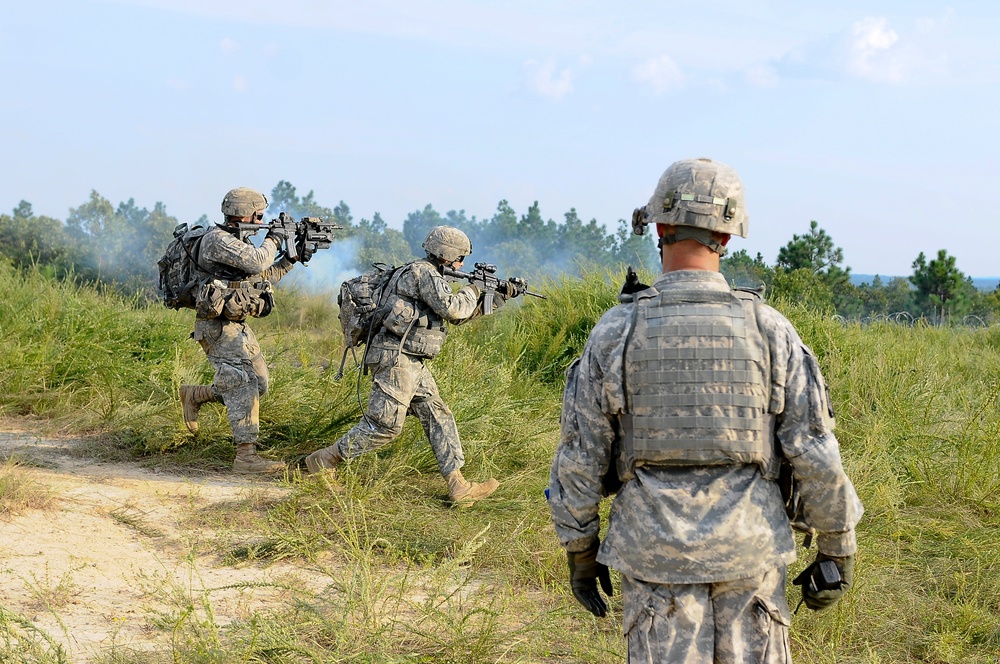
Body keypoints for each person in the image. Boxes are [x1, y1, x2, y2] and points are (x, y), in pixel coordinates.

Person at [547, 158, 864, 662]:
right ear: (729, 236)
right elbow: (814, 450)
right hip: (751, 550)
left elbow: (581, 456)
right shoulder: (770, 329)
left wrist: (580, 550)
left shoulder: (617, 331)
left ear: (660, 226)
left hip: (655, 558)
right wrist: (836, 545)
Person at [305, 225, 515, 506]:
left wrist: (498, 296)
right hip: (395, 358)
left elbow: (457, 316)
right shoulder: (422, 272)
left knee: (437, 414)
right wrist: (476, 287)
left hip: (410, 359)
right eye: (460, 257)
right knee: (385, 426)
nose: (462, 264)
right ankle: (325, 460)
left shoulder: (431, 275)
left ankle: (458, 485)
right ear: (447, 254)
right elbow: (454, 308)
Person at [178, 187, 299, 474]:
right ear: (247, 213)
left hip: (234, 325)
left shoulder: (235, 243)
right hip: (217, 327)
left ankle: (196, 395)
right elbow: (257, 261)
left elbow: (263, 274)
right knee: (243, 383)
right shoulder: (217, 240)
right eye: (259, 215)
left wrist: (291, 259)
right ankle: (246, 457)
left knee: (259, 384)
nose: (261, 220)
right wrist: (275, 237)